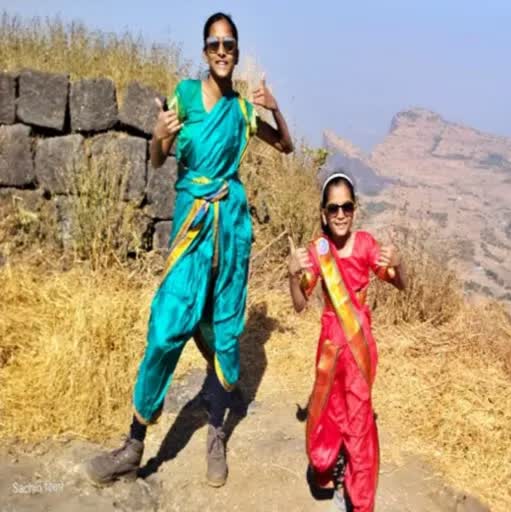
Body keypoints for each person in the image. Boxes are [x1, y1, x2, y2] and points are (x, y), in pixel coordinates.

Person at [85, 12, 293, 488]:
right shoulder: (181, 96)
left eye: (230, 44)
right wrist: (158, 136)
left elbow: (285, 145)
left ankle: (217, 432)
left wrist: (275, 109)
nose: (223, 51)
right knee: (165, 329)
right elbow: (160, 159)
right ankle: (134, 443)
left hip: (231, 230)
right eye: (215, 43)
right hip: (191, 229)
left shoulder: (242, 112)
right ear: (204, 52)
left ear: (236, 53)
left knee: (223, 332)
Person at [287, 172, 408, 511]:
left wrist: (400, 266)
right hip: (329, 349)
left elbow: (400, 283)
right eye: (333, 208)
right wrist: (292, 275)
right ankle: (328, 467)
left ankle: (357, 497)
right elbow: (299, 303)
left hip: (359, 350)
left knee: (358, 425)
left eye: (347, 207)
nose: (341, 214)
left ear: (355, 210)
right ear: (324, 213)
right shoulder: (318, 250)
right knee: (326, 417)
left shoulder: (368, 245)